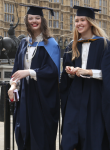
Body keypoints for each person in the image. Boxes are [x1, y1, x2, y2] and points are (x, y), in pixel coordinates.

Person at [60, 5, 110, 150]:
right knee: (70, 132)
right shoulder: (71, 46)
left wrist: (88, 72)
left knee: (92, 133)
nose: (79, 24)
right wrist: (70, 71)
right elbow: (67, 73)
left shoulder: (105, 45)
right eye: (76, 20)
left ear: (90, 22)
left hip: (95, 95)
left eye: (82, 20)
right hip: (75, 95)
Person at [7, 4, 60, 150]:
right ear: (27, 20)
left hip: (42, 98)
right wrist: (13, 86)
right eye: (31, 18)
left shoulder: (51, 44)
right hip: (25, 96)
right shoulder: (23, 43)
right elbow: (16, 69)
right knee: (23, 133)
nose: (34, 21)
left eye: (37, 18)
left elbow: (52, 71)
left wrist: (29, 72)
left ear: (42, 21)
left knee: (40, 135)